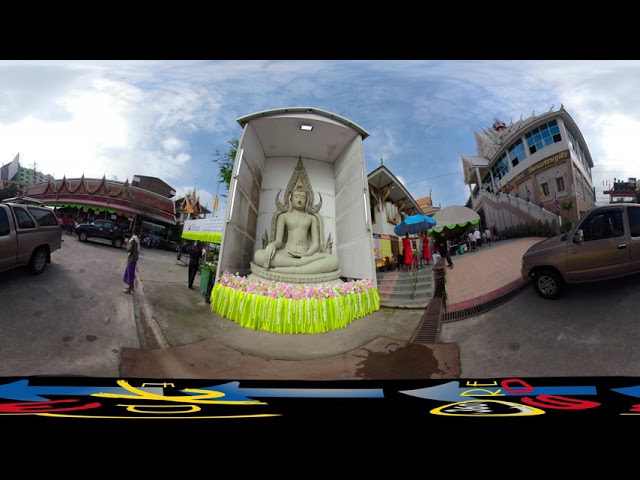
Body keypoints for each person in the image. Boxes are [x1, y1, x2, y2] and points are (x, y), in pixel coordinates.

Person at [253, 188, 339, 274]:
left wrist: (307, 254)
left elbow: (315, 244)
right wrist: (272, 245)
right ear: (290, 199)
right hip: (287, 253)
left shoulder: (312, 218)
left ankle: (287, 269)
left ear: (306, 200)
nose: (299, 200)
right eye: (296, 196)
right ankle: (299, 266)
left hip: (306, 254)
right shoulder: (284, 216)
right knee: (258, 255)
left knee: (334, 260)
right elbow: (278, 241)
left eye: (303, 197)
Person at [122, 226, 140, 294]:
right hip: (134, 258)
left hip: (131, 258)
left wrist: (127, 242)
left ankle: (129, 289)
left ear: (133, 231)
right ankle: (131, 286)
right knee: (130, 273)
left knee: (130, 274)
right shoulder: (137, 239)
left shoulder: (133, 239)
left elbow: (129, 249)